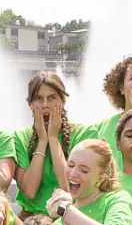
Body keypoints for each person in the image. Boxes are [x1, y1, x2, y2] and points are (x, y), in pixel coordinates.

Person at [12, 72, 85, 216]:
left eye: (52, 98)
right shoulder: (19, 137)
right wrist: (42, 141)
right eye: (38, 98)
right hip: (31, 217)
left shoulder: (83, 134)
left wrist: (53, 138)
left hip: (71, 215)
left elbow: (68, 187)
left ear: (63, 101)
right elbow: (29, 192)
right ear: (30, 104)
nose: (45, 105)